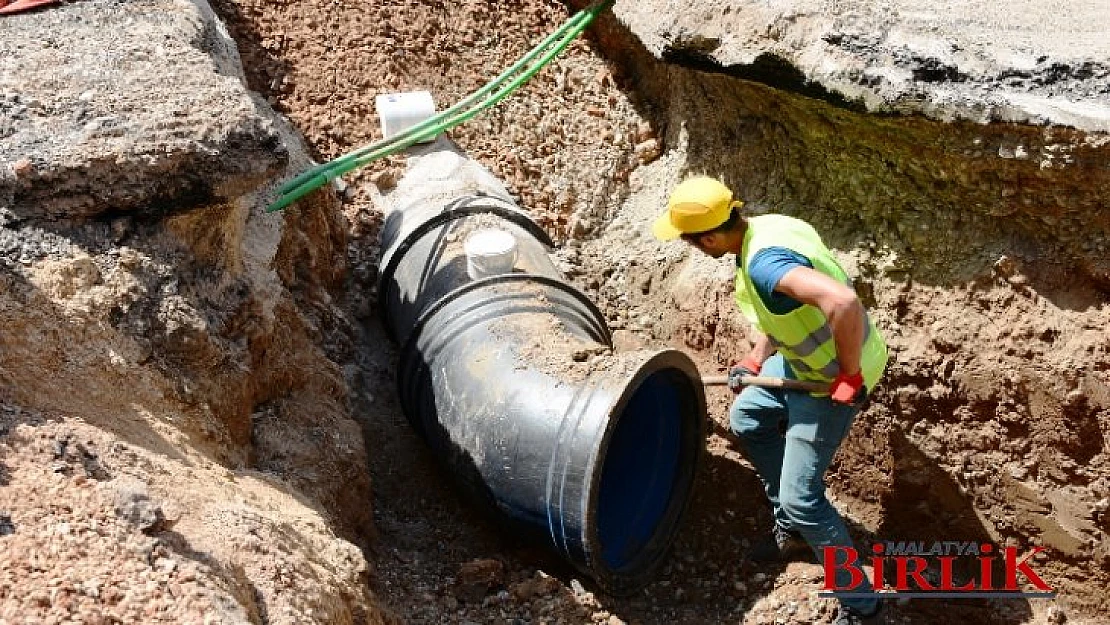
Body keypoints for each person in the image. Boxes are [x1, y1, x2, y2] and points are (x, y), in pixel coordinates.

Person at [652, 176, 888, 625]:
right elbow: (787, 307)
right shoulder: (767, 228)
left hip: (831, 375)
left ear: (709, 237)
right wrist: (760, 358)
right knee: (747, 418)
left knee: (804, 498)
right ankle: (794, 531)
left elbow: (841, 302)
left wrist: (850, 374)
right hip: (804, 362)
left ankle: (863, 605)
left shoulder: (763, 263)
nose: (694, 249)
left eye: (692, 242)